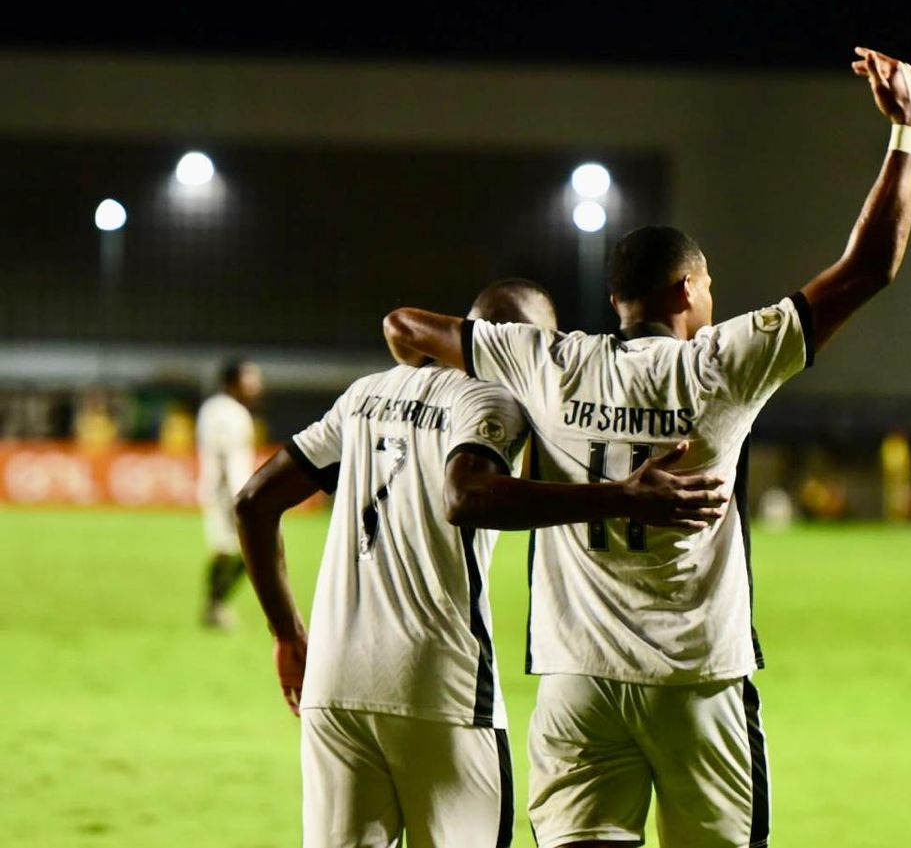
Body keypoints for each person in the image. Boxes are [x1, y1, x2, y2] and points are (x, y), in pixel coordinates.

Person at [382, 48, 911, 848]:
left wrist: (443, 379)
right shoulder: (723, 364)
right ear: (686, 290)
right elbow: (869, 267)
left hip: (577, 679)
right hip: (696, 681)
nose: (714, 299)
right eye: (709, 287)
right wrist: (906, 135)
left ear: (616, 300)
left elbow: (406, 325)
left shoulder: (551, 361)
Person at [234, 279, 726, 848]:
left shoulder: (365, 394)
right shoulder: (492, 398)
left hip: (332, 685)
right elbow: (466, 495)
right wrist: (621, 496)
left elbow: (253, 502)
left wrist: (288, 634)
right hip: (438, 687)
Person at [196, 359, 262, 628]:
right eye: (251, 380)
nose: (257, 386)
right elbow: (224, 456)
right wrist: (234, 495)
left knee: (226, 550)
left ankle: (214, 606)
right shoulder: (231, 413)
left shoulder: (211, 409)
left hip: (222, 489)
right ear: (234, 382)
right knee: (249, 551)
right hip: (229, 492)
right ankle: (216, 605)